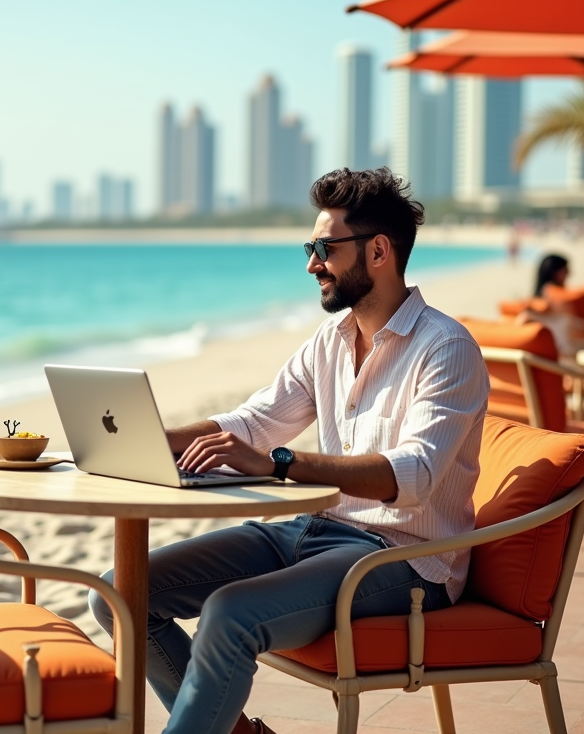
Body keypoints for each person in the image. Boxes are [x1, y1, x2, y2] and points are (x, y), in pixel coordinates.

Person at [89, 167, 490, 734]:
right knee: (119, 593)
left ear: (378, 251)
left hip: (404, 559)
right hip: (310, 533)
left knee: (229, 615)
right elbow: (256, 422)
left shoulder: (445, 349)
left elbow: (415, 475)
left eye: (324, 247)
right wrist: (142, 436)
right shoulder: (329, 341)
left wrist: (281, 462)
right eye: (310, 246)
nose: (311, 264)